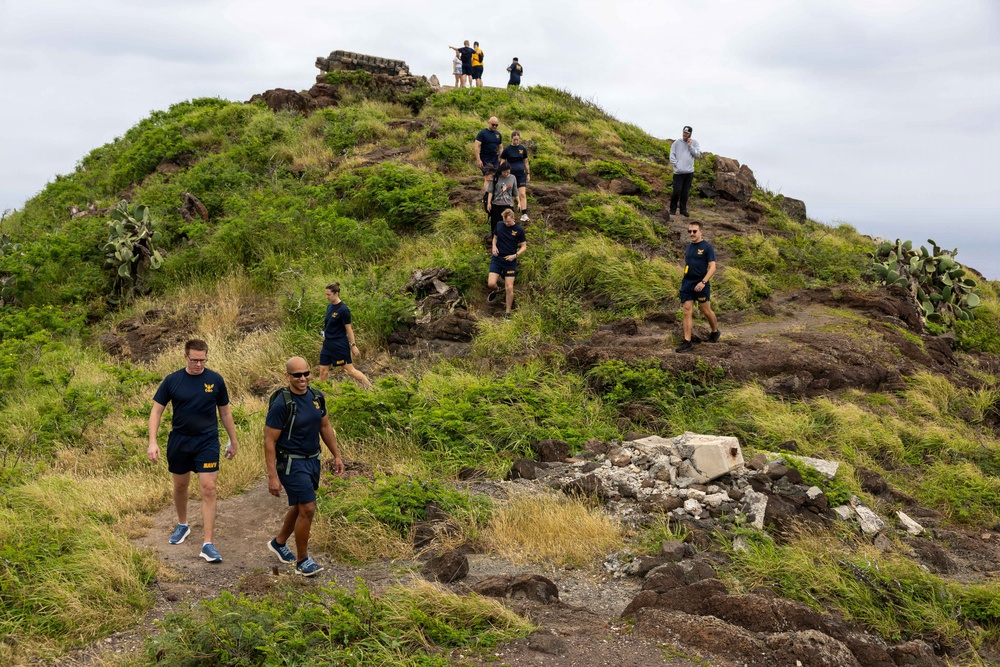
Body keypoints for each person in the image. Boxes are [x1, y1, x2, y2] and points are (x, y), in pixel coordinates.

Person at [148, 339, 239, 563]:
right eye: (195, 360)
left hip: (207, 441)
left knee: (208, 488)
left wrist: (233, 440)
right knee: (180, 486)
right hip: (179, 440)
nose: (199, 364)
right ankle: (183, 524)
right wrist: (152, 441)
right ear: (185, 357)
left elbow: (225, 413)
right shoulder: (172, 380)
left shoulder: (215, 380)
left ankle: (208, 543)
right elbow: (156, 411)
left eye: (203, 360)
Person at [265, 356, 345, 577]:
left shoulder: (316, 397)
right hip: (291, 463)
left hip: (312, 460)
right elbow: (269, 441)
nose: (302, 378)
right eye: (296, 375)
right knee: (308, 508)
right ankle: (302, 561)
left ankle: (279, 543)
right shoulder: (282, 404)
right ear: (287, 376)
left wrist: (337, 455)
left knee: (301, 506)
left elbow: (325, 425)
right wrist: (272, 476)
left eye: (306, 373)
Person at [675, 221, 720, 353]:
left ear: (701, 231)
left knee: (706, 311)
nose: (692, 234)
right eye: (689, 231)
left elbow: (713, 267)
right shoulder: (688, 247)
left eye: (694, 231)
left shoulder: (707, 247)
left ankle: (715, 331)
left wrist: (703, 282)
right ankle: (687, 342)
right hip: (687, 283)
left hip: (701, 283)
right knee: (686, 310)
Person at [318, 283, 372, 390]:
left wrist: (353, 345)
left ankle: (371, 388)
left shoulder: (344, 310)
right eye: (326, 294)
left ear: (336, 293)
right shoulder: (329, 307)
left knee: (349, 371)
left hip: (339, 345)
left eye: (329, 295)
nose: (326, 297)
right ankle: (322, 396)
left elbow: (349, 329)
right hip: (328, 344)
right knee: (323, 371)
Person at [487, 208, 527, 318]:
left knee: (509, 287)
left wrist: (515, 255)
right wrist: (494, 247)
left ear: (513, 218)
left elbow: (524, 247)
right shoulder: (499, 225)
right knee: (491, 283)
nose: (506, 223)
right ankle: (496, 290)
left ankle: (507, 312)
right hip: (497, 259)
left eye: (508, 221)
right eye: (505, 221)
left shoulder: (519, 230)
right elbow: (495, 238)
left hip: (510, 261)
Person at [669, 125, 701, 217]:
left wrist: (690, 146)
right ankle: (672, 209)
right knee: (676, 191)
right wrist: (677, 165)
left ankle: (683, 210)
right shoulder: (676, 143)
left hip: (689, 173)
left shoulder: (694, 143)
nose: (684, 134)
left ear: (690, 134)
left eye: (686, 133)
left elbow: (697, 155)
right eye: (683, 132)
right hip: (678, 173)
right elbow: (672, 155)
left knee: (685, 192)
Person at [500, 131, 530, 222]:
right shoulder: (507, 149)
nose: (516, 141)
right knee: (510, 193)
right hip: (510, 175)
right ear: (511, 139)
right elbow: (502, 161)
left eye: (517, 139)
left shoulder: (522, 148)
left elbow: (526, 162)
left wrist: (528, 173)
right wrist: (502, 173)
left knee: (522, 194)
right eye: (514, 140)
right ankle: (510, 213)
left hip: (521, 174)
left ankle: (524, 213)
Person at [475, 116, 503, 195]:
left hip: (494, 157)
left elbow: (500, 147)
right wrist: (478, 159)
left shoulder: (498, 134)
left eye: (496, 125)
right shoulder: (482, 133)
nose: (494, 126)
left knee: (496, 177)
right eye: (493, 124)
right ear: (489, 123)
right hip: (485, 157)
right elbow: (476, 146)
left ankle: (493, 196)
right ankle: (486, 197)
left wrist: (501, 158)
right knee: (488, 177)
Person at [487, 161, 519, 230]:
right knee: (495, 225)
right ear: (501, 171)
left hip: (508, 205)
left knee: (508, 224)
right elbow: (490, 191)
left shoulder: (513, 177)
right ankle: (494, 239)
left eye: (508, 172)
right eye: (504, 172)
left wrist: (519, 202)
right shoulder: (495, 177)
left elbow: (515, 191)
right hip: (496, 205)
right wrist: (488, 203)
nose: (506, 173)